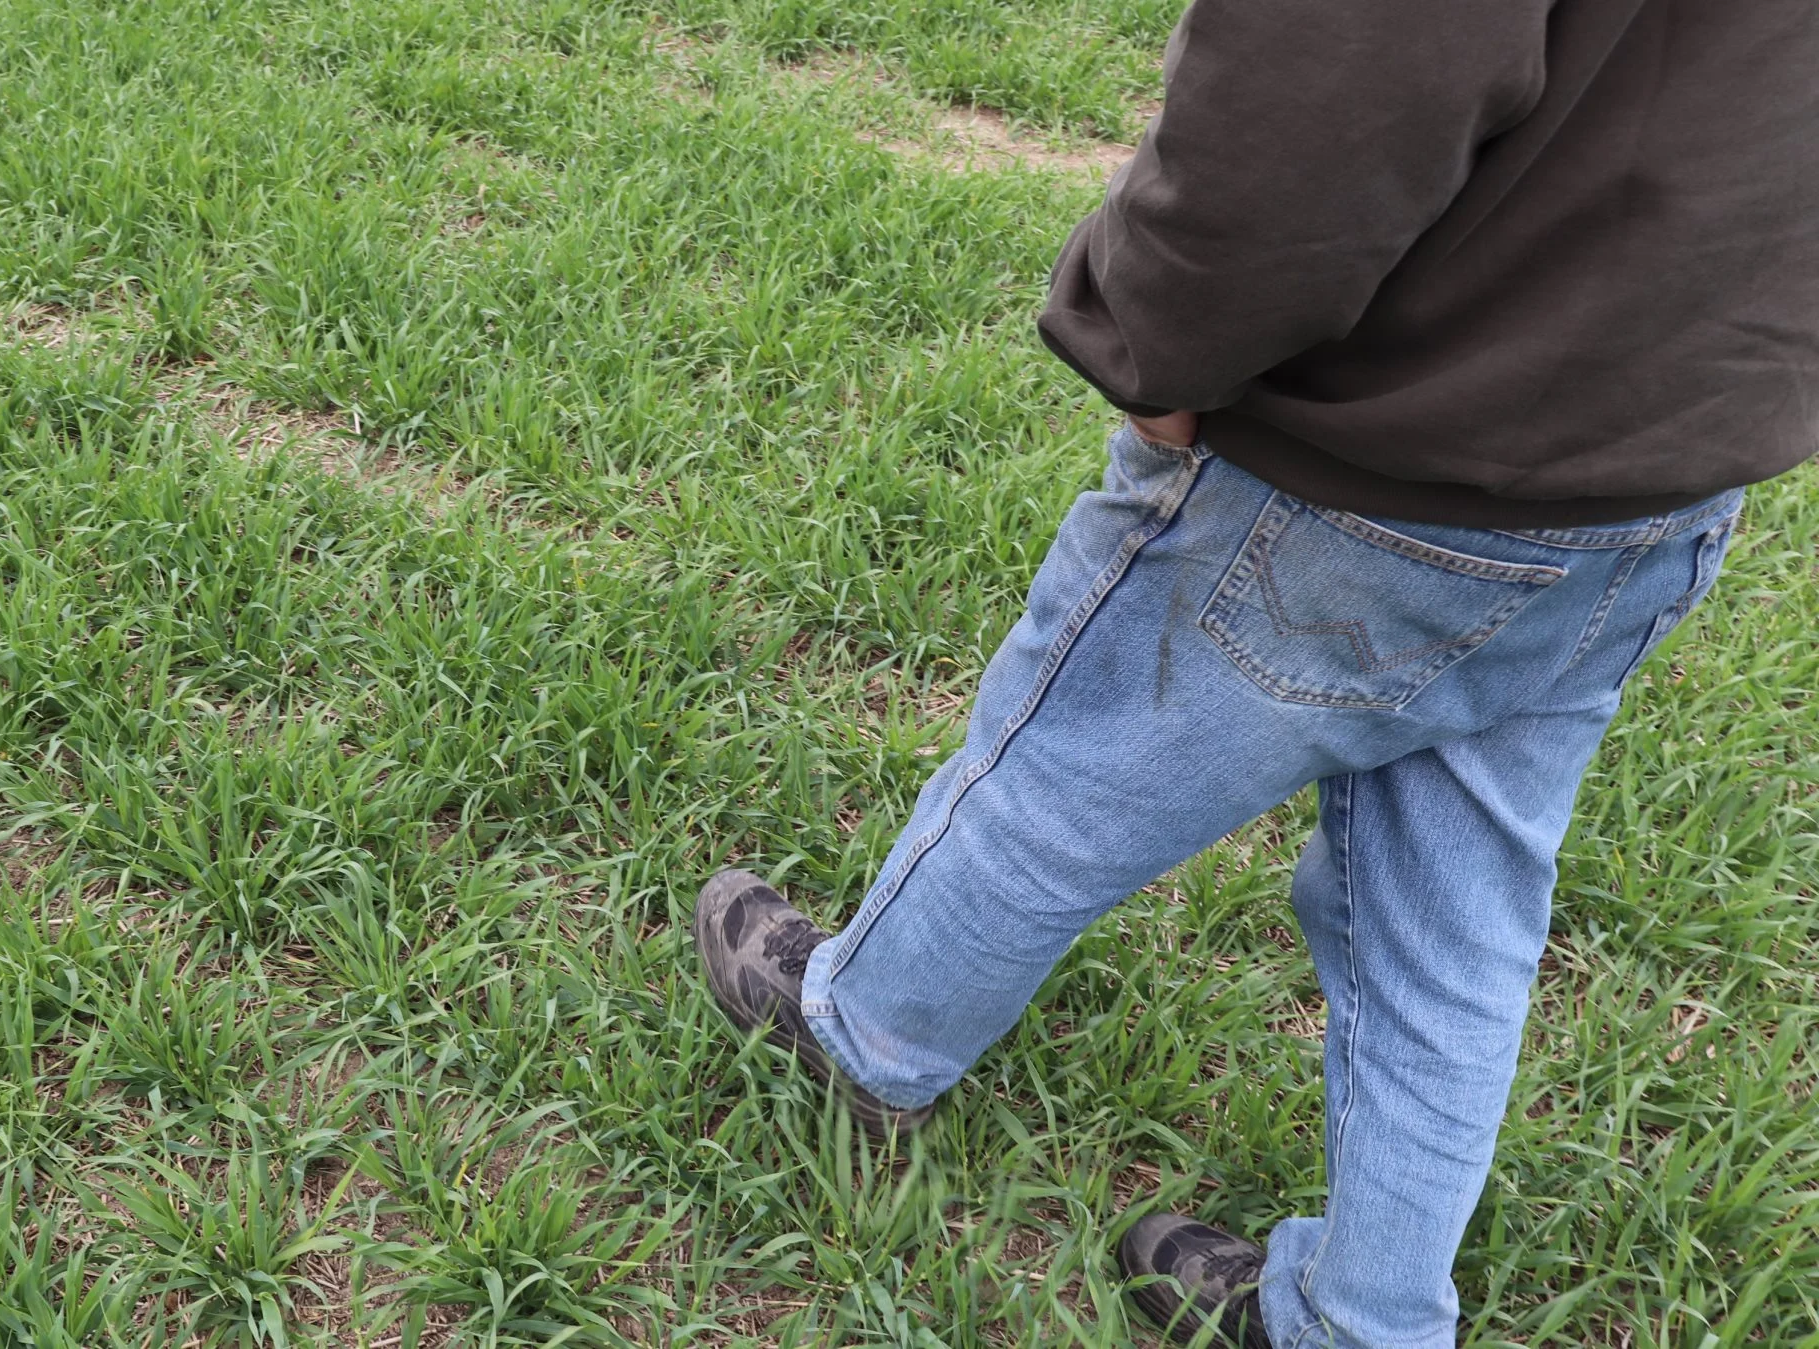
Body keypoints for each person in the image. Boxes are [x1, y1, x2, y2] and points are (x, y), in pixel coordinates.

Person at [691, 0, 1818, 1343]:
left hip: (1365, 471)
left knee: (1064, 778)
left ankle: (869, 1034)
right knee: (1451, 925)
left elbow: (1324, 89)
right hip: (1659, 475)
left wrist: (1159, 350)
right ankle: (1366, 1321)